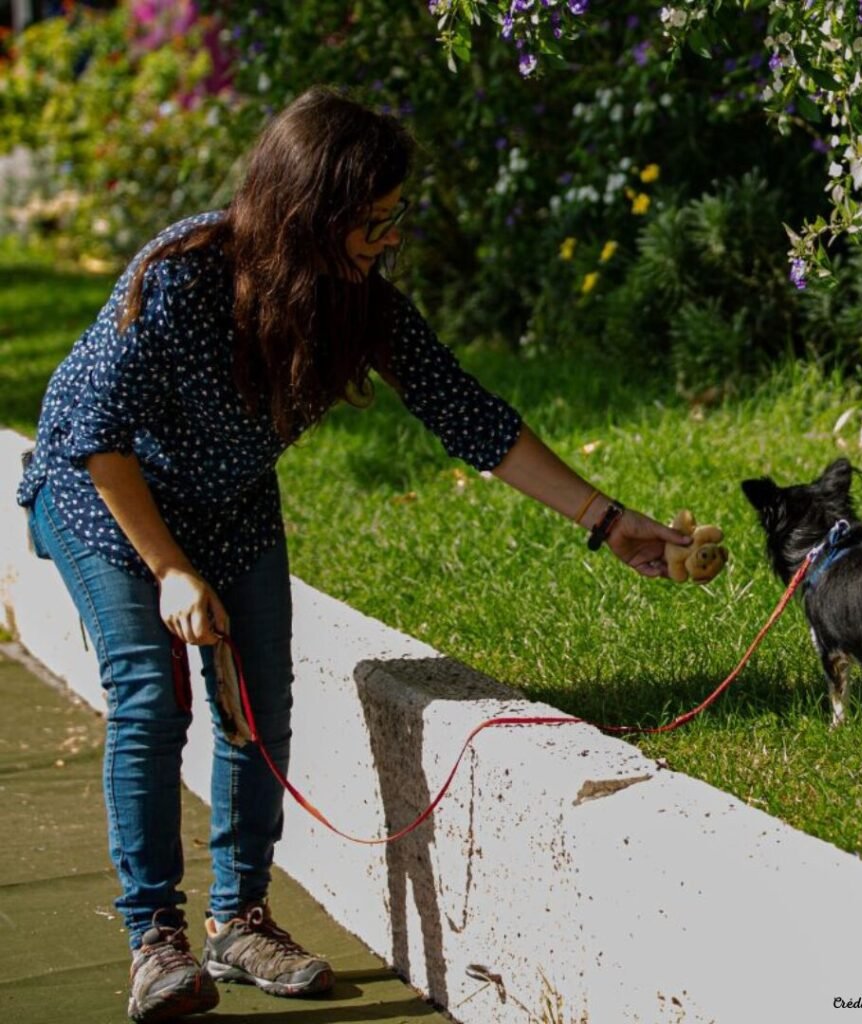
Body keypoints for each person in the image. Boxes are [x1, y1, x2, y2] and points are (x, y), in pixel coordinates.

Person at [17, 85, 691, 1023]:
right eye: (376, 219)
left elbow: (468, 414)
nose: (392, 235)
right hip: (105, 494)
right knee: (149, 688)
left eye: (395, 215)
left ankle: (240, 919)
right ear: (312, 215)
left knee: (263, 694)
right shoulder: (181, 277)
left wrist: (607, 519)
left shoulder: (353, 300)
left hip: (230, 501)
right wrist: (170, 569)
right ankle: (154, 941)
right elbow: (95, 438)